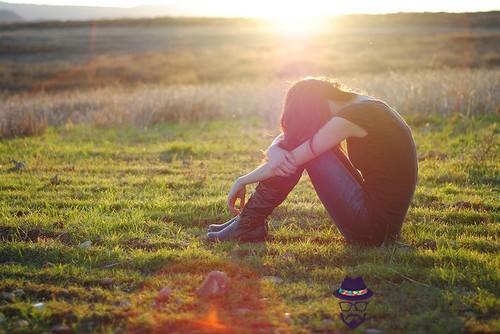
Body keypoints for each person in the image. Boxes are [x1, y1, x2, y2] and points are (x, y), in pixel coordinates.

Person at [206, 77, 418, 247]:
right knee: (305, 148)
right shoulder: (363, 106)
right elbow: (294, 140)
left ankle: (248, 223)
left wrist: (242, 180)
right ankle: (247, 221)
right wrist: (273, 148)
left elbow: (295, 156)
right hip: (383, 223)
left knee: (307, 153)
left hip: (372, 229)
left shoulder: (349, 119)